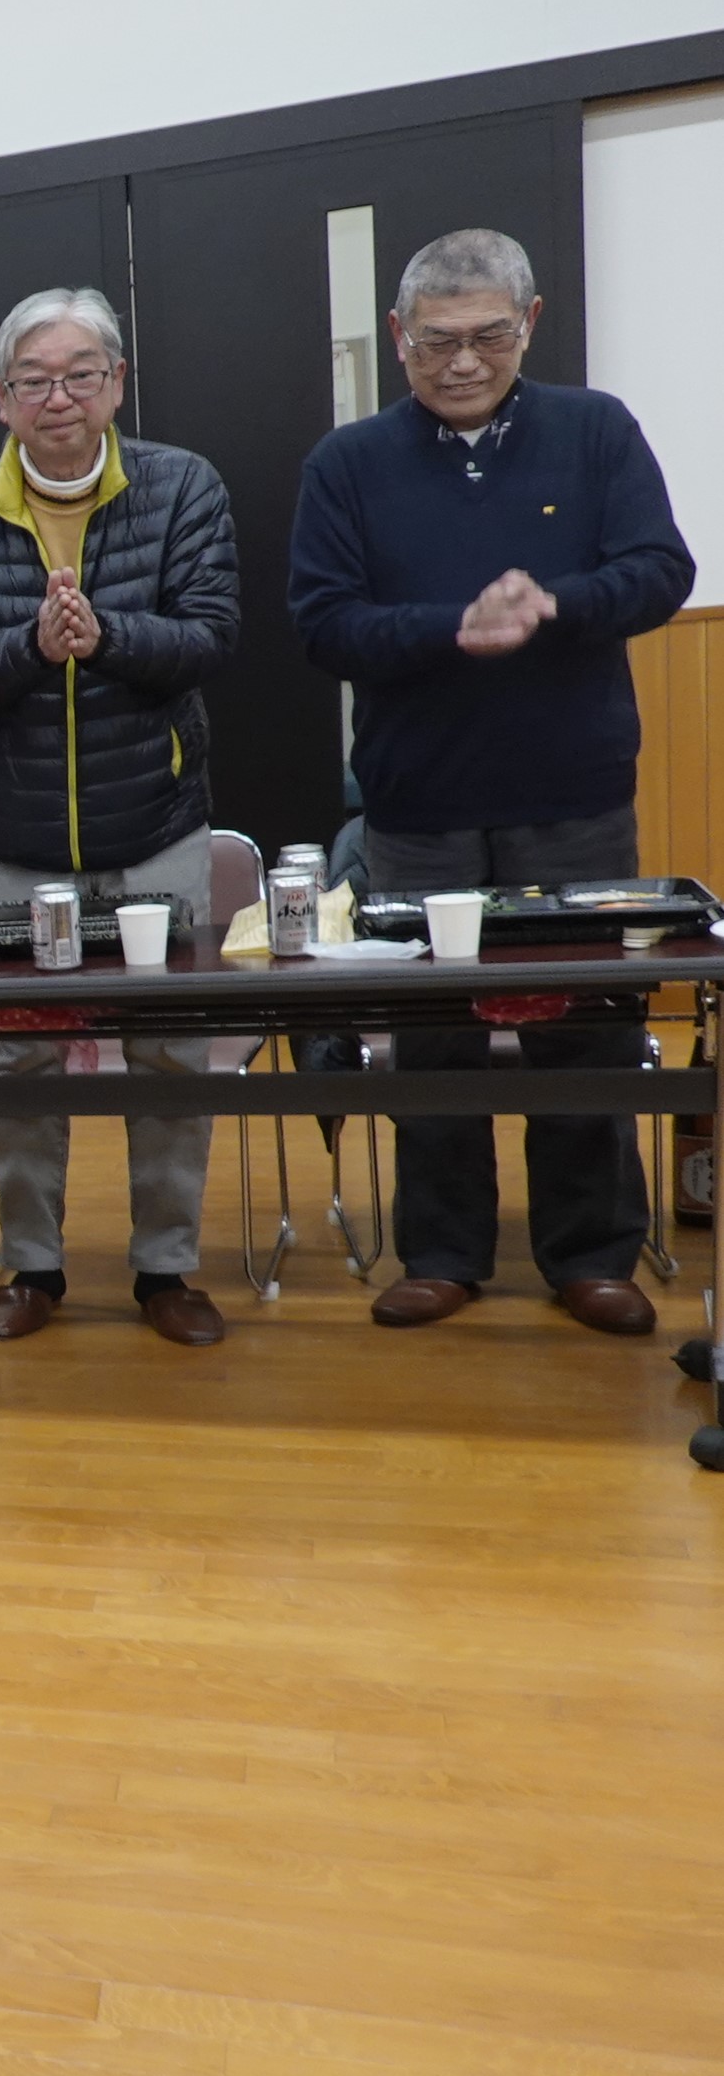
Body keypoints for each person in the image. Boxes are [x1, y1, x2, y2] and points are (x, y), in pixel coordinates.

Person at [292, 228, 698, 1336]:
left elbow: (662, 569)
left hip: (573, 793)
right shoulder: (347, 463)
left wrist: (555, 605)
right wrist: (449, 627)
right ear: (396, 338)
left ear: (529, 323)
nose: (463, 361)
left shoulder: (595, 430)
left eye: (488, 336)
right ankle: (442, 1251)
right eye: (436, 342)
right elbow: (321, 621)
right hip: (416, 800)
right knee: (434, 1036)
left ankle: (590, 1253)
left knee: (585, 1027)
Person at [0, 287, 242, 1347]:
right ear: (0, 398)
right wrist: (33, 646)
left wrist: (105, 637)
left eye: (80, 375)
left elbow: (211, 636)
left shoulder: (181, 485)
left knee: (169, 1054)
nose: (59, 397)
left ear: (115, 383)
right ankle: (32, 1265)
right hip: (17, 845)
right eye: (35, 380)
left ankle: (165, 1269)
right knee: (20, 1059)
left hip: (156, 828)